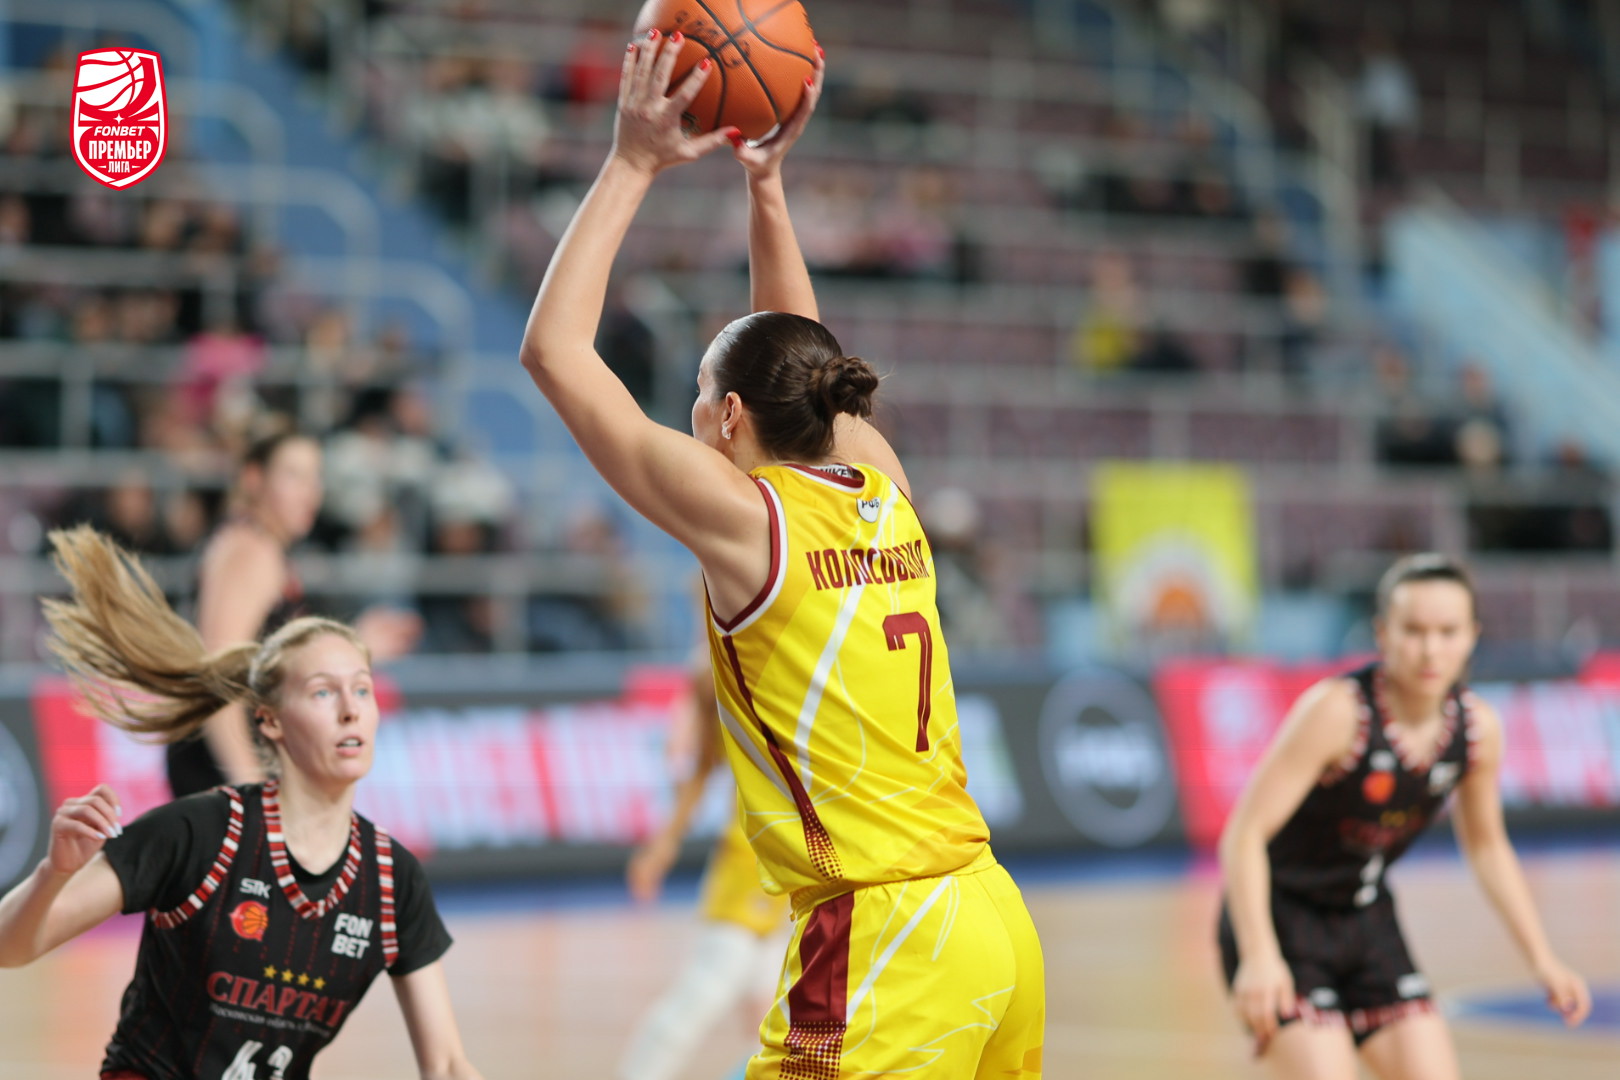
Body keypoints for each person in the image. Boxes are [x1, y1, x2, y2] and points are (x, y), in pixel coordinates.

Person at [519, 32, 1043, 1078]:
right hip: (991, 919)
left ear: (725, 418)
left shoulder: (747, 521)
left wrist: (632, 160)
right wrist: (767, 187)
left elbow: (554, 352)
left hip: (887, 938)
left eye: (697, 397)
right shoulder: (880, 480)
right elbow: (807, 354)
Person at [0, 526, 481, 1080]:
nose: (350, 710)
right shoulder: (200, 832)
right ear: (269, 720)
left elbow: (447, 1064)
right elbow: (11, 947)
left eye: (362, 689)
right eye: (323, 692)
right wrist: (55, 873)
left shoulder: (393, 880)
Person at [1217, 554, 1591, 1078]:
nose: (1431, 649)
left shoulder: (1477, 729)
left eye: (1448, 631)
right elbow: (1244, 835)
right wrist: (1259, 955)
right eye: (1414, 631)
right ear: (1382, 634)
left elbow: (1487, 847)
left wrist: (1542, 959)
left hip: (1367, 919)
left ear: (1473, 636)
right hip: (1281, 919)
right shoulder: (1337, 712)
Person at [171, 427, 421, 797]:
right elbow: (218, 681)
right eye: (295, 476)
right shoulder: (250, 551)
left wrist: (356, 644)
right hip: (221, 771)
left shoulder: (263, 548)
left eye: (315, 477)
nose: (311, 491)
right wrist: (249, 790)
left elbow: (271, 662)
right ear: (254, 479)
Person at [617, 651, 789, 1080]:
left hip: (794, 868)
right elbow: (697, 764)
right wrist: (662, 846)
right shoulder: (726, 670)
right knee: (707, 990)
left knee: (776, 1014)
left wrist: (662, 846)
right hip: (753, 866)